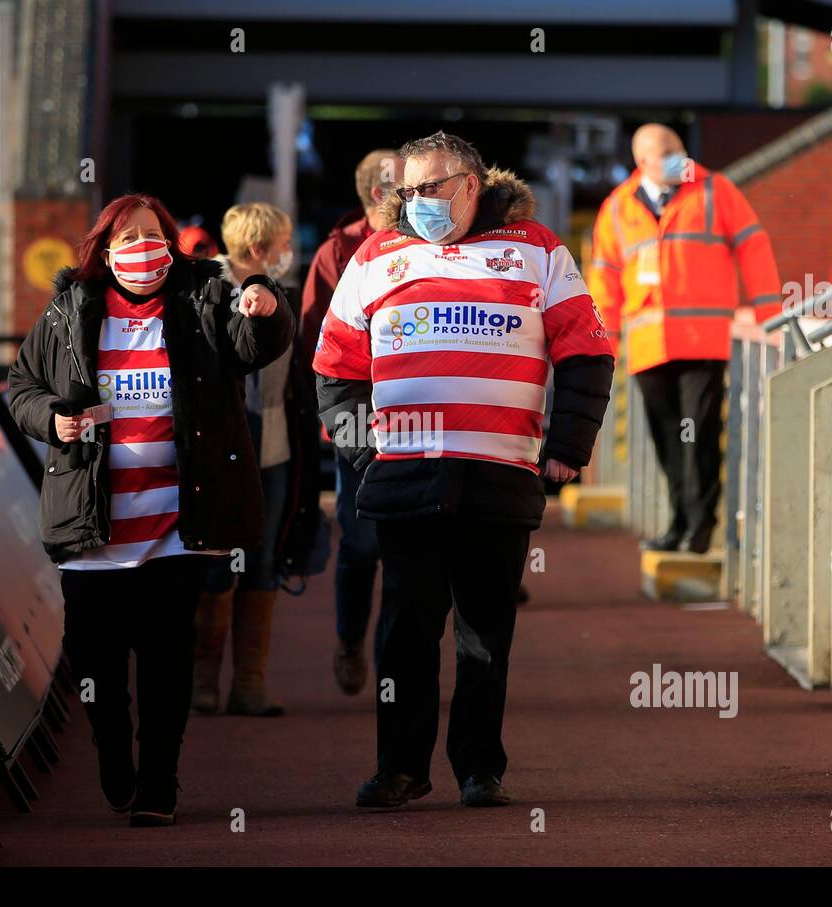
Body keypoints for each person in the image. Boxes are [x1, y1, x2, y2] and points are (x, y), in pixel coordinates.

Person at [313, 131, 613, 809]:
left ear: (472, 184)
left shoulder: (537, 250)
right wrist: (367, 452)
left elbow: (587, 351)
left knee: (485, 635)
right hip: (406, 479)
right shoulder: (376, 256)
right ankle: (400, 768)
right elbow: (334, 368)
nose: (417, 201)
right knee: (405, 632)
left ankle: (481, 768)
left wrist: (567, 447)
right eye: (408, 190)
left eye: (432, 187)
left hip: (499, 476)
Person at [6, 193, 293, 825]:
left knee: (166, 661)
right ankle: (115, 756)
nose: (144, 250)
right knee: (97, 665)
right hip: (92, 530)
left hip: (173, 528)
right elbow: (21, 388)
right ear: (104, 250)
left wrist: (266, 301)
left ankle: (160, 781)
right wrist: (54, 421)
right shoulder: (68, 310)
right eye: (129, 239)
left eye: (155, 236)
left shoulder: (204, 298)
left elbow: (254, 346)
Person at [587, 123, 782, 554]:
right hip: (648, 346)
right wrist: (605, 346)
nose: (680, 160)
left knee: (700, 435)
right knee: (667, 438)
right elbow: (604, 280)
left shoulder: (715, 190)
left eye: (680, 150)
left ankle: (699, 525)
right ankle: (679, 519)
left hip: (701, 340)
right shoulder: (618, 208)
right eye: (667, 154)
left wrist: (771, 317)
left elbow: (753, 245)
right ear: (642, 163)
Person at [192, 202, 321, 717]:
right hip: (224, 455)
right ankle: (204, 683)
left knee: (263, 562)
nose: (292, 251)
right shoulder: (205, 292)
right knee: (218, 562)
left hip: (276, 452)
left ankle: (249, 683)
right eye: (285, 242)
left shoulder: (279, 294)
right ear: (259, 248)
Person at [301, 148, 403, 695]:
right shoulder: (337, 254)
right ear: (377, 193)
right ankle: (349, 639)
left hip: (423, 419)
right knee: (362, 541)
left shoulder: (434, 246)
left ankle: (401, 668)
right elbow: (315, 349)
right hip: (359, 422)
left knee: (416, 547)